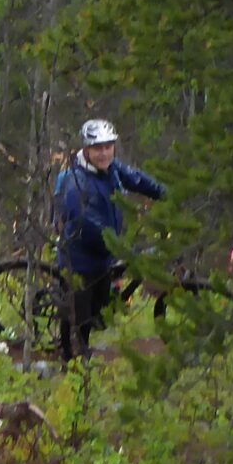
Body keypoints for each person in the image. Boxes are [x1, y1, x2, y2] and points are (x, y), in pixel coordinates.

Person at [52, 117, 164, 355]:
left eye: (107, 146)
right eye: (97, 148)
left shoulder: (110, 168)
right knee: (79, 319)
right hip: (79, 259)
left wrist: (165, 194)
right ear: (86, 150)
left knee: (99, 312)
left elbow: (136, 178)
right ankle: (71, 364)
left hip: (103, 255)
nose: (103, 153)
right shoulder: (76, 182)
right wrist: (124, 250)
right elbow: (90, 226)